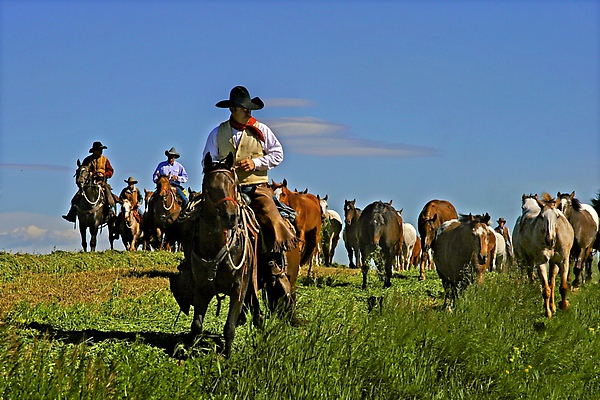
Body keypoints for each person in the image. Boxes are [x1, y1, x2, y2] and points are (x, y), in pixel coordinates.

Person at [202, 85, 297, 268]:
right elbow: (208, 161)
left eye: (249, 109)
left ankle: (277, 263)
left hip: (256, 187)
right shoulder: (217, 133)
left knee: (272, 217)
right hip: (226, 190)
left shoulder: (262, 130)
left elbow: (278, 154)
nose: (247, 112)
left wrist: (256, 163)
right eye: (243, 109)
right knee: (198, 216)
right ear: (232, 109)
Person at [62, 141, 116, 222]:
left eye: (101, 150)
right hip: (89, 182)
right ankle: (71, 215)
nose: (100, 151)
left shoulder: (105, 160)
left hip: (101, 182)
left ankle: (111, 212)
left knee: (109, 195)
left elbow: (110, 171)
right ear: (94, 150)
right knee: (76, 198)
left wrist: (104, 174)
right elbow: (83, 170)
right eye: (99, 149)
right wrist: (91, 173)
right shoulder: (87, 160)